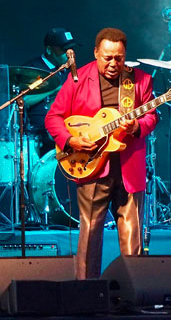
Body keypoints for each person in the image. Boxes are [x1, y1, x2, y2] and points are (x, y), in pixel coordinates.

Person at [45, 27, 158, 279]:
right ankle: (85, 291)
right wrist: (70, 140)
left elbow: (152, 116)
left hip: (128, 165)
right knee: (90, 231)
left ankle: (134, 288)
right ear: (96, 53)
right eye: (107, 57)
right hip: (92, 164)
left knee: (132, 232)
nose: (113, 63)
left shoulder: (140, 79)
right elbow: (53, 117)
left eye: (118, 58)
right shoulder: (78, 78)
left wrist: (138, 126)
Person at [25, 27, 78, 154]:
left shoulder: (70, 67)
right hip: (41, 133)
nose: (69, 53)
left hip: (68, 127)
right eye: (64, 50)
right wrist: (55, 88)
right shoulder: (32, 69)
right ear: (49, 50)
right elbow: (24, 99)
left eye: (71, 49)